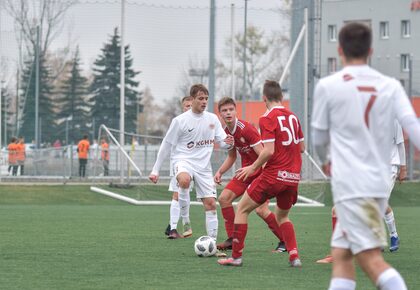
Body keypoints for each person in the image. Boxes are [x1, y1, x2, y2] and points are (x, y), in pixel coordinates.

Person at [311, 22, 420, 290]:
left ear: (339, 51)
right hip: (377, 179)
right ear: (370, 51)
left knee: (370, 260)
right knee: (342, 256)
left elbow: (318, 139)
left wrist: (327, 161)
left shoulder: (328, 85)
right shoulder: (390, 85)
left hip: (351, 182)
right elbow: (413, 130)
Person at [218, 80, 304, 267]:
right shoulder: (293, 117)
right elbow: (302, 148)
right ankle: (294, 256)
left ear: (264, 98)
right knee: (283, 216)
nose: (228, 113)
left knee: (242, 209)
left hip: (271, 174)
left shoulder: (266, 118)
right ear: (282, 97)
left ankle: (236, 257)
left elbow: (268, 151)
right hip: (293, 177)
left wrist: (253, 167)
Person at [149, 84, 233, 245]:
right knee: (184, 180)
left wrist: (228, 143)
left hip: (203, 167)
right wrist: (155, 170)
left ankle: (211, 243)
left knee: (210, 204)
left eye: (206, 99)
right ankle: (185, 220)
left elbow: (222, 142)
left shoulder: (212, 119)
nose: (204, 102)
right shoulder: (180, 121)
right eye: (200, 98)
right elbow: (166, 145)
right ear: (192, 99)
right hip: (183, 161)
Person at [316, 120, 406, 264]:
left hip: (390, 167)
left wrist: (403, 167)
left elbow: (400, 145)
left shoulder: (393, 120)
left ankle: (387, 237)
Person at [214, 96, 286, 253]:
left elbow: (264, 155)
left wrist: (264, 178)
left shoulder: (246, 129)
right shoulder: (226, 132)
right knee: (224, 199)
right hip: (247, 173)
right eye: (224, 110)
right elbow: (232, 156)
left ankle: (285, 241)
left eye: (231, 109)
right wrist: (220, 172)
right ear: (220, 114)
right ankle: (232, 239)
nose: (228, 113)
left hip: (261, 171)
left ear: (235, 110)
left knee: (261, 210)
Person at [163, 96, 194, 239]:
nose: (189, 108)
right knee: (177, 194)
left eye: (191, 105)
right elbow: (169, 143)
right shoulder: (179, 122)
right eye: (187, 106)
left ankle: (172, 225)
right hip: (179, 163)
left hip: (193, 165)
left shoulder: (200, 122)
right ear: (183, 107)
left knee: (184, 195)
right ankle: (173, 229)